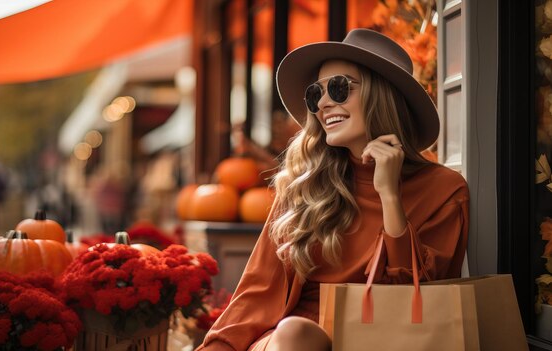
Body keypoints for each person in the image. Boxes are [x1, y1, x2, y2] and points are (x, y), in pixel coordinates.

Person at [196, 28, 469, 351]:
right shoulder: (306, 184)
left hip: (382, 341)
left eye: (339, 88)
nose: (323, 104)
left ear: (381, 95)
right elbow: (257, 291)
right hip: (289, 341)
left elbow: (417, 301)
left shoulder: (445, 191)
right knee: (295, 333)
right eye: (316, 93)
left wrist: (390, 196)